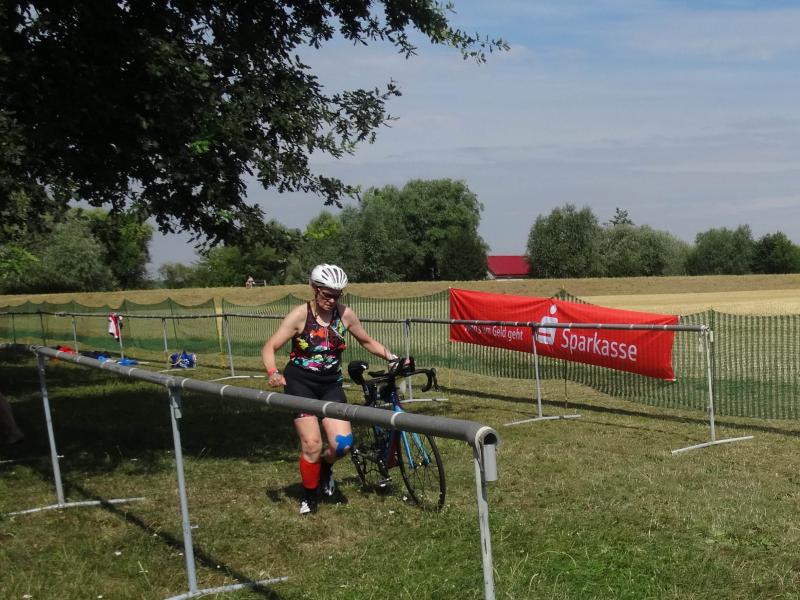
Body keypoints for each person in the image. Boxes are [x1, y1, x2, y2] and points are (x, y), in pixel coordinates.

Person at [261, 264, 398, 515]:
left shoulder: (345, 315)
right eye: (327, 294)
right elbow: (270, 347)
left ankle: (324, 468)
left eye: (337, 295)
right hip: (300, 383)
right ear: (314, 289)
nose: (332, 300)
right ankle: (310, 496)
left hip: (330, 383)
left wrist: (393, 358)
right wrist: (273, 372)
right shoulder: (299, 316)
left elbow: (366, 340)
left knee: (342, 445)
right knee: (312, 444)